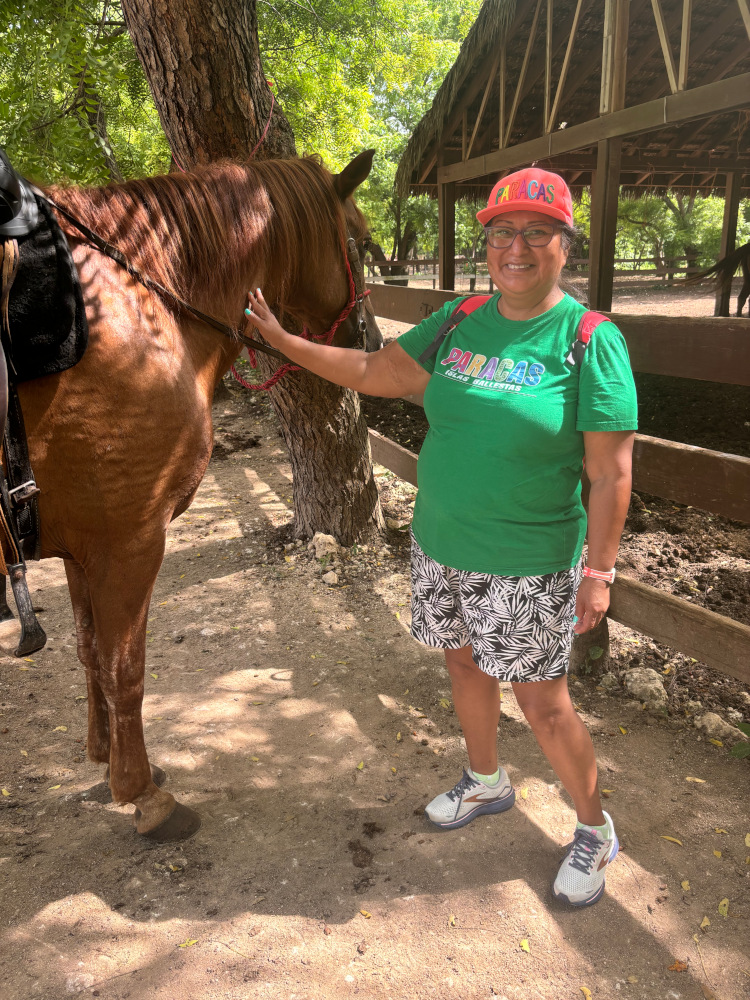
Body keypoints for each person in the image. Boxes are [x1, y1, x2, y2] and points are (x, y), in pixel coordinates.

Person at [244, 166, 637, 908]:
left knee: (544, 704)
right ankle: (487, 782)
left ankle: (593, 827)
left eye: (536, 231)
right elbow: (372, 369)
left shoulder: (590, 339)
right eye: (501, 232)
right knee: (462, 667)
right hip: (441, 543)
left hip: (527, 561)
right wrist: (281, 339)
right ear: (486, 242)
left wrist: (601, 571)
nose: (515, 247)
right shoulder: (460, 318)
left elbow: (611, 475)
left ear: (565, 242)